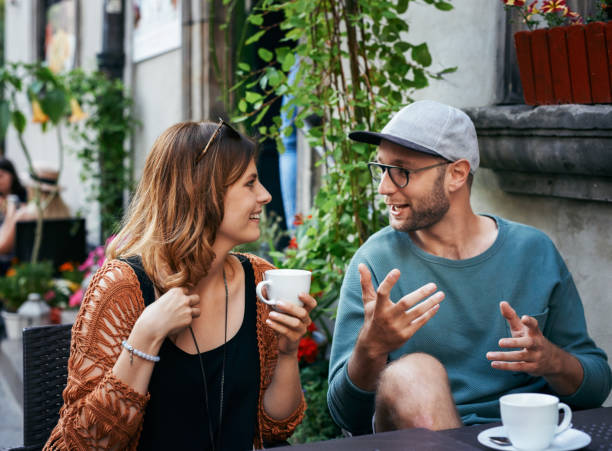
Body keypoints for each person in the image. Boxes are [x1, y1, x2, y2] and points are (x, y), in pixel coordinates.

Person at [327, 100, 611, 435]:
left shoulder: (533, 252)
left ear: (457, 174)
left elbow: (596, 387)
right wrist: (369, 349)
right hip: (428, 441)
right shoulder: (374, 264)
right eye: (382, 168)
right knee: (413, 372)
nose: (384, 188)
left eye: (402, 171)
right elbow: (346, 416)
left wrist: (551, 360)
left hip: (524, 437)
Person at [45, 120, 316, 450]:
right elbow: (77, 445)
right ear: (202, 193)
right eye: (249, 183)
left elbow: (275, 431)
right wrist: (146, 335)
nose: (265, 195)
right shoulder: (122, 288)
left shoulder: (259, 280)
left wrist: (288, 352)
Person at [0, 161, 71, 256]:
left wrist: (10, 212)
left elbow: (2, 248)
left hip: (27, 269)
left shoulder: (24, 215)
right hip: (60, 268)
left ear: (33, 188)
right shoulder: (67, 213)